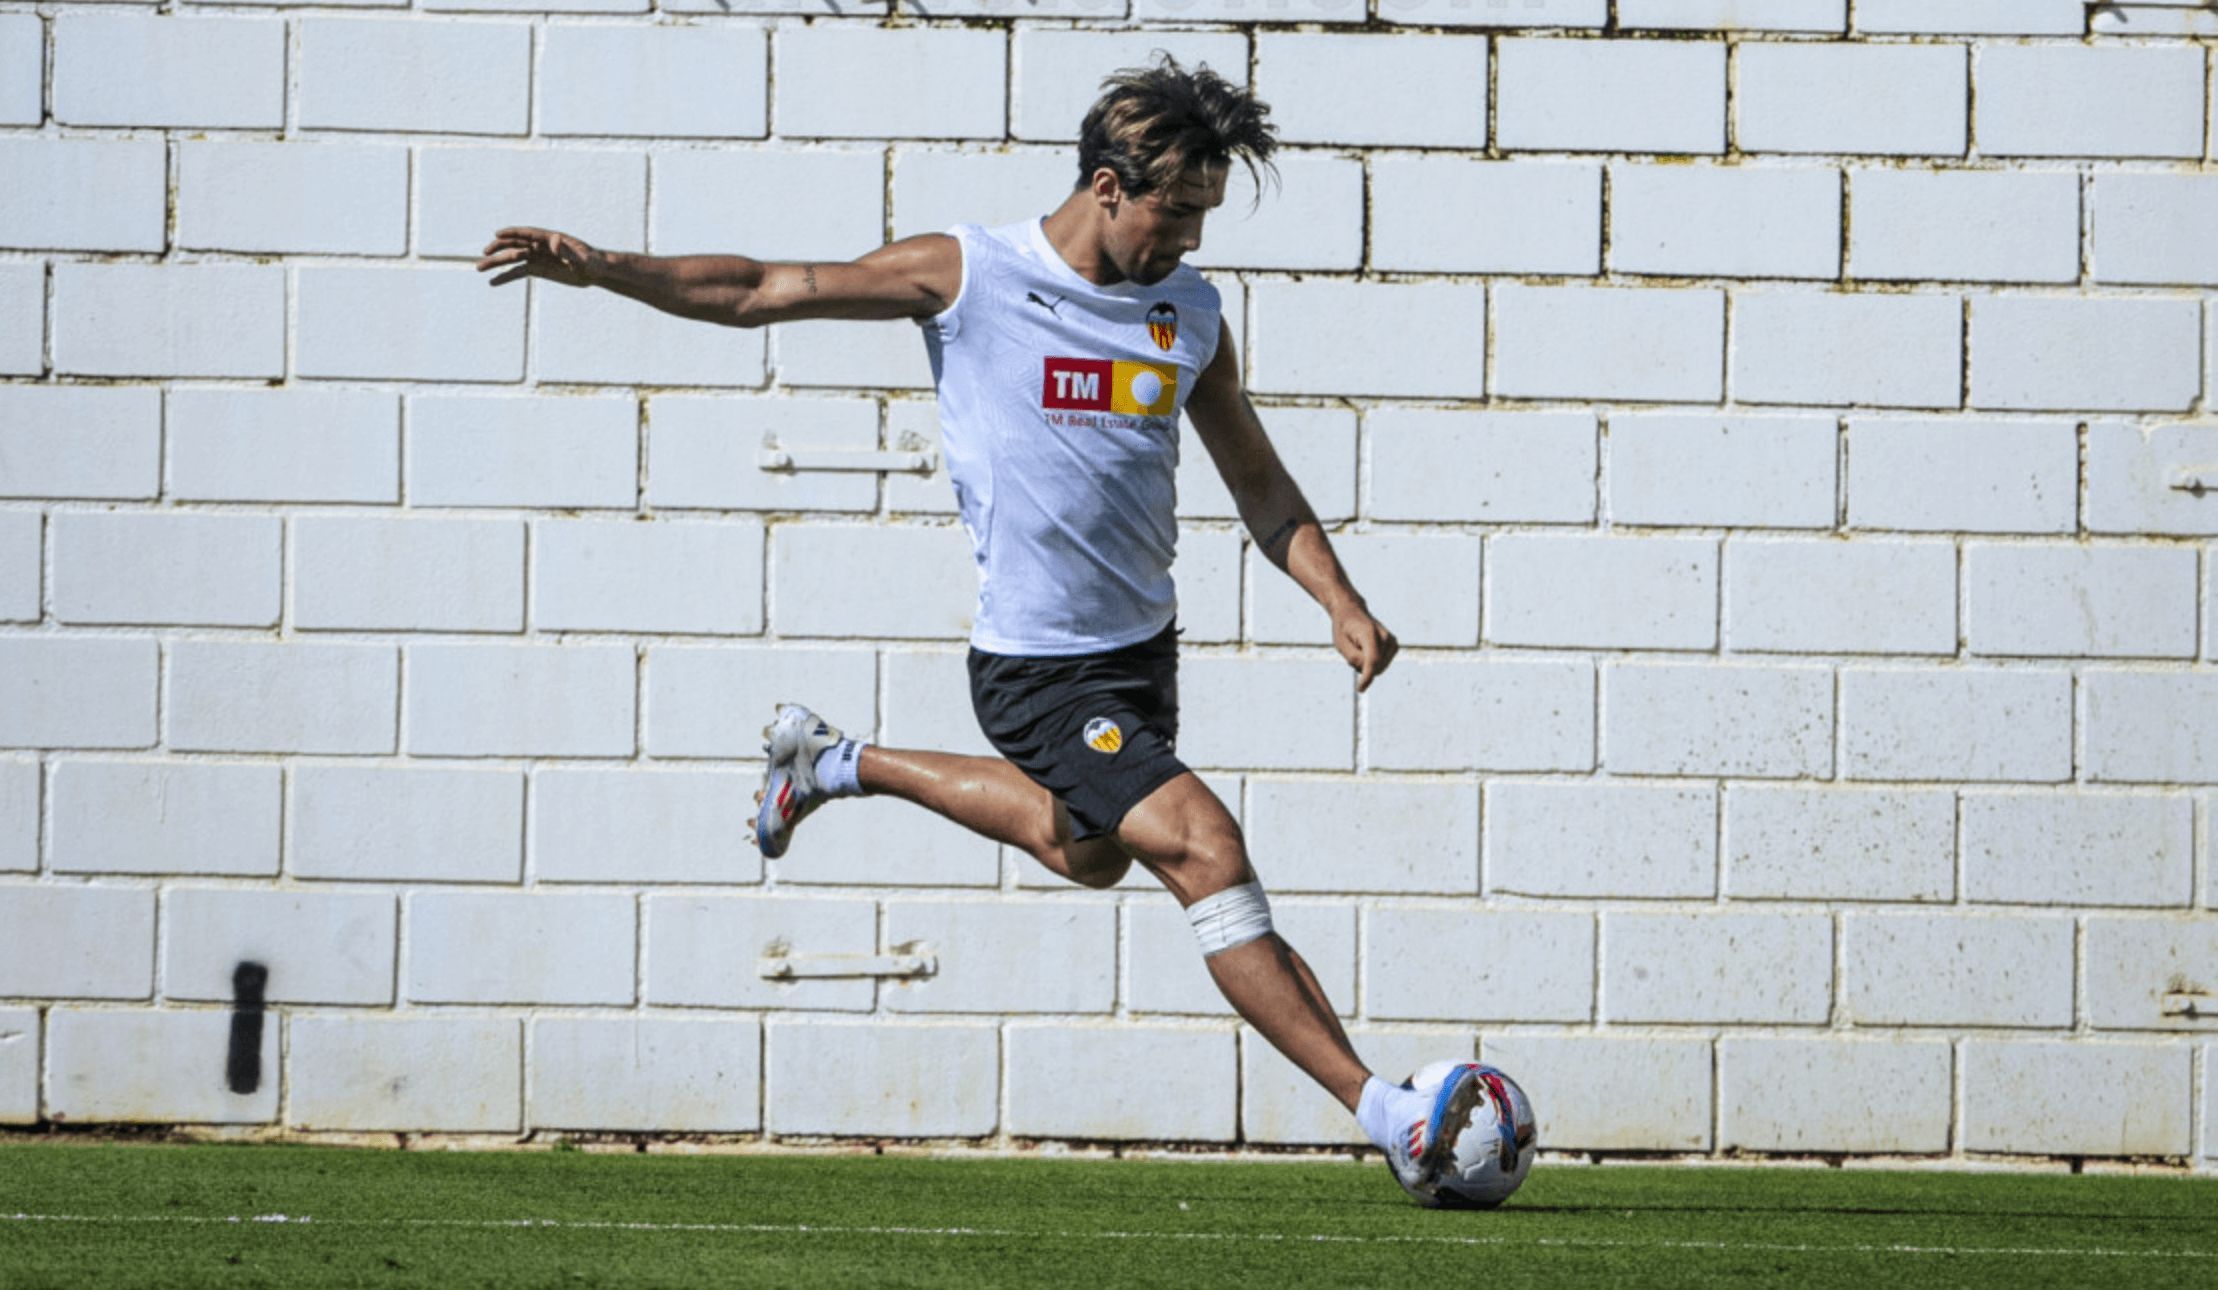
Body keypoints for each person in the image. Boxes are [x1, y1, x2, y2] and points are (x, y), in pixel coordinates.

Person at [478, 56, 1486, 1203]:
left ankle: (831, 760)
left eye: (1207, 214)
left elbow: (1256, 476)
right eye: (1178, 211)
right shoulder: (973, 276)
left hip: (1139, 654)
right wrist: (602, 269)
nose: (1193, 240)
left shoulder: (1189, 312)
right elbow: (763, 286)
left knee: (1087, 853)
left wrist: (1338, 598)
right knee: (1204, 846)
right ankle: (1389, 1114)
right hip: (1037, 671)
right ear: (1108, 184)